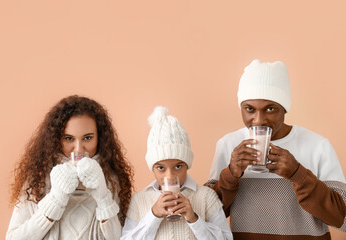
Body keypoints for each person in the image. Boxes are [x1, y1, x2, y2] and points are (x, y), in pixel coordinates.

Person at [207, 59, 346, 240]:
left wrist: (298, 174)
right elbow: (208, 218)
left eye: (270, 108)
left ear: (284, 109)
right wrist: (231, 175)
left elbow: (342, 218)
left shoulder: (318, 146)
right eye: (249, 109)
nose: (258, 120)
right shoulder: (228, 145)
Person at [6, 95, 133, 240]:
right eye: (69, 138)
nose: (78, 149)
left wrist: (103, 197)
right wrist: (55, 200)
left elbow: (123, 238)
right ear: (56, 139)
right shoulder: (37, 179)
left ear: (100, 138)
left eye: (87, 138)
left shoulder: (111, 180)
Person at [121, 106, 233, 240]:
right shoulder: (139, 201)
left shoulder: (207, 197)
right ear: (152, 168)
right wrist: (153, 215)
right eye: (161, 168)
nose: (170, 176)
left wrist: (194, 219)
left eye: (178, 166)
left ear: (187, 165)